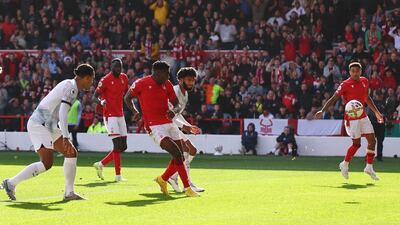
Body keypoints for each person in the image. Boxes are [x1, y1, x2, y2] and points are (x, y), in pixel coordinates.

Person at [2, 64, 95, 201]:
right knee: (47, 163)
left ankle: (69, 193)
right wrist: (65, 136)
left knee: (71, 152)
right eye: (91, 79)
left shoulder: (69, 84)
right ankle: (10, 183)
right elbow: (63, 112)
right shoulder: (72, 88)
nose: (92, 83)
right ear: (86, 78)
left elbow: (58, 111)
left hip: (48, 123)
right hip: (40, 123)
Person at [124, 61, 199, 197]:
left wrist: (173, 111)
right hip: (154, 126)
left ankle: (163, 179)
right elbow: (127, 97)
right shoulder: (141, 83)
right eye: (166, 74)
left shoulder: (167, 84)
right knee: (177, 154)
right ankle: (187, 188)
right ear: (157, 73)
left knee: (180, 155)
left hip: (169, 123)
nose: (168, 78)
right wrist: (135, 111)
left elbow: (176, 105)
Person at [314, 61, 384, 180]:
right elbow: (334, 98)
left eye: (357, 71)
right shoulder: (345, 84)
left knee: (372, 141)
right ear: (349, 72)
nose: (355, 73)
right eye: (353, 71)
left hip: (363, 115)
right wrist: (323, 110)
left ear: (360, 72)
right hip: (351, 119)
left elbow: (367, 98)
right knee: (357, 144)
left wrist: (377, 113)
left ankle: (369, 167)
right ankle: (345, 164)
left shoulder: (365, 81)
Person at [166, 67, 205, 193]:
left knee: (189, 150)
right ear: (180, 79)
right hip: (166, 125)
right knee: (190, 149)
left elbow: (178, 114)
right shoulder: (175, 91)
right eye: (189, 80)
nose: (191, 83)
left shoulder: (185, 93)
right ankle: (184, 182)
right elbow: (169, 115)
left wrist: (188, 125)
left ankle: (174, 177)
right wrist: (184, 127)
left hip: (173, 124)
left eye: (193, 80)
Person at [93, 58, 129, 182]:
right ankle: (118, 175)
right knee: (117, 145)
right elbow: (94, 97)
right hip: (110, 115)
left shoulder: (124, 78)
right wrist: (101, 101)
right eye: (116, 67)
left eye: (120, 67)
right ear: (111, 67)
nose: (118, 69)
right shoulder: (105, 80)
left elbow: (127, 94)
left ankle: (101, 164)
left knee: (123, 146)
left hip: (120, 114)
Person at [366, 90, 386, 161]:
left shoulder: (384, 102)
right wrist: (378, 116)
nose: (380, 97)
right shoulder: (372, 102)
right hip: (373, 124)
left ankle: (379, 157)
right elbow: (369, 113)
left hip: (381, 125)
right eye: (379, 95)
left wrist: (384, 116)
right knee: (371, 141)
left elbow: (386, 112)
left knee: (380, 141)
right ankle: (368, 157)